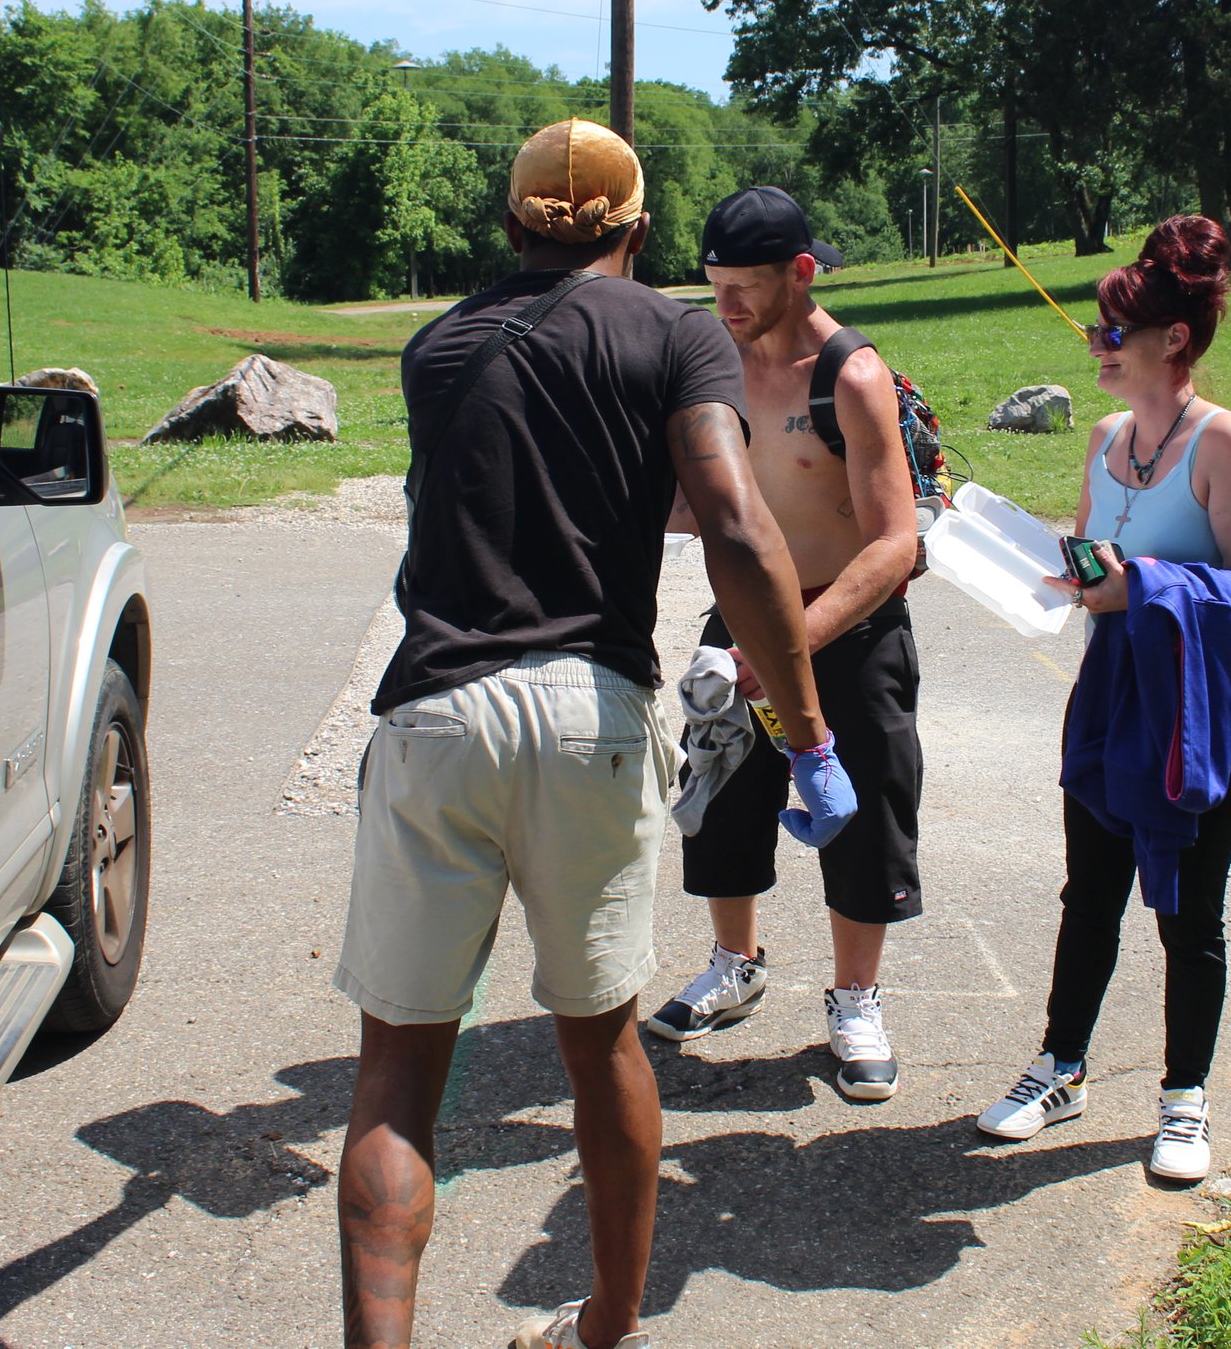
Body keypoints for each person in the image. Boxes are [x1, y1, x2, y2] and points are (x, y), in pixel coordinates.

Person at [334, 122, 854, 1349]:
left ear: (510, 224)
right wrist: (806, 729)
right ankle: (604, 1326)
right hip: (592, 714)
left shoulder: (437, 347)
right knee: (601, 1039)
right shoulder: (676, 334)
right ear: (636, 229)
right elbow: (732, 523)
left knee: (397, 1078)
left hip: (436, 710)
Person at [974, 215, 1231, 1183]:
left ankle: (1182, 1099)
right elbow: (1088, 558)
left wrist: (1144, 581)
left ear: (1173, 341)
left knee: (1188, 915)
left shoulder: (1228, 444)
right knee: (1088, 896)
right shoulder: (1106, 436)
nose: (1095, 348)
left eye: (1112, 334)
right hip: (1113, 704)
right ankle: (1059, 1067)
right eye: (1095, 332)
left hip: (1201, 720)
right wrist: (1053, 572)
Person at [650, 186, 925, 1104]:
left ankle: (856, 1000)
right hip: (744, 618)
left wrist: (789, 648)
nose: (724, 306)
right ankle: (737, 963)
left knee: (862, 819)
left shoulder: (849, 376)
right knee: (721, 797)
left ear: (801, 273)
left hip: (846, 621)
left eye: (744, 287)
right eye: (713, 285)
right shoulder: (712, 363)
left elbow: (896, 542)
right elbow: (703, 499)